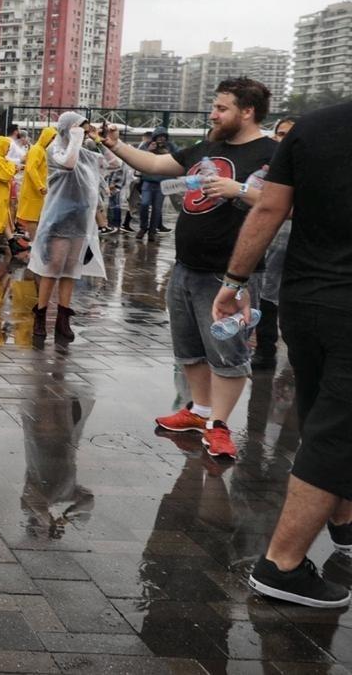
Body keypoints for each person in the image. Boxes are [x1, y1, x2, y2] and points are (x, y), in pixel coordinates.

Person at [210, 100, 352, 609]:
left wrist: (234, 281)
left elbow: (269, 207)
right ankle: (283, 565)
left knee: (321, 414)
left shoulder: (313, 127)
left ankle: (343, 522)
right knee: (338, 431)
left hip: (306, 300)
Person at [104, 77, 278, 460]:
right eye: (214, 107)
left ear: (247, 112)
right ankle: (199, 411)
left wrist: (241, 191)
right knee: (190, 348)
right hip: (185, 267)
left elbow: (290, 204)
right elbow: (154, 163)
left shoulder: (273, 152)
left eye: (221, 108)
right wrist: (114, 144)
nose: (213, 114)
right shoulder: (207, 147)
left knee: (227, 352)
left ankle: (219, 425)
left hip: (231, 274)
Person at [29, 113, 111, 341]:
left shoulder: (85, 153)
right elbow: (68, 163)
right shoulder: (54, 150)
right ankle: (41, 314)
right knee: (54, 266)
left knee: (71, 268)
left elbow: (113, 163)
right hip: (58, 218)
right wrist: (74, 138)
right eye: (77, 128)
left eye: (83, 129)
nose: (82, 132)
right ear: (66, 129)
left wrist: (101, 140)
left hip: (80, 217)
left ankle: (63, 319)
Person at [252, 115, 296, 371]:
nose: (284, 140)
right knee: (266, 293)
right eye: (280, 134)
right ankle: (265, 350)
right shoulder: (264, 167)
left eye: (290, 135)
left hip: (298, 240)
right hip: (269, 237)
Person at [16, 126, 56, 240]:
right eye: (52, 138)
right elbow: (31, 169)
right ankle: (33, 242)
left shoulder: (41, 150)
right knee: (32, 218)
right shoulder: (37, 150)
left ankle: (33, 240)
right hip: (33, 190)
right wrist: (40, 186)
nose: (54, 142)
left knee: (35, 217)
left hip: (37, 191)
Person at [136, 126, 175, 241]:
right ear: (155, 137)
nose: (161, 139)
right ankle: (143, 228)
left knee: (157, 208)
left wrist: (168, 154)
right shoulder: (147, 145)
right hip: (147, 180)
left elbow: (179, 156)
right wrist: (148, 151)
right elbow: (137, 156)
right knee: (144, 204)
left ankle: (152, 231)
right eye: (159, 137)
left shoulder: (171, 146)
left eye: (164, 137)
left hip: (162, 182)